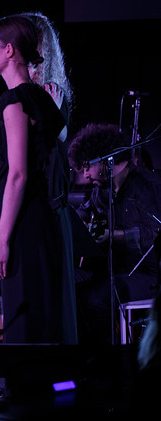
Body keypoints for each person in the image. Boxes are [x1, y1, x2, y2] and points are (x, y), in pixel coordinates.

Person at [0, 12, 78, 344]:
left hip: (25, 223)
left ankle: (31, 390)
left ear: (10, 50)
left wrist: (1, 241)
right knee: (46, 312)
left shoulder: (14, 101)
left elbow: (17, 174)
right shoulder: (40, 97)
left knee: (27, 315)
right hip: (44, 220)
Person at [67, 122, 161, 344]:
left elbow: (154, 235)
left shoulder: (148, 185)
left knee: (96, 298)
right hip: (113, 270)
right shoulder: (102, 191)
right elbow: (83, 215)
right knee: (68, 284)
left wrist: (113, 236)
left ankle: (105, 364)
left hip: (147, 274)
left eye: (86, 166)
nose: (85, 174)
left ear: (105, 159)